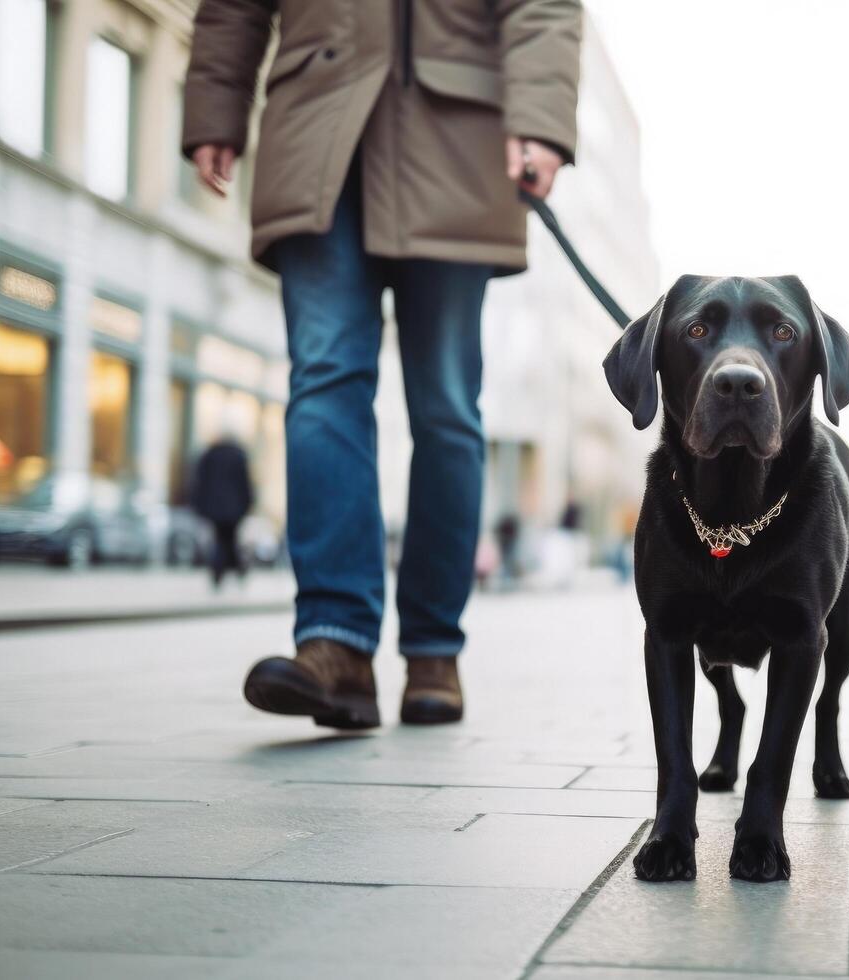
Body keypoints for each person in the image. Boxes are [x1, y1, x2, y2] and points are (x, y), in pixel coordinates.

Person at [183, 0, 584, 728]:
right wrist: (215, 104)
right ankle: (334, 644)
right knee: (324, 382)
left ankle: (433, 650)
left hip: (458, 133)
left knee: (447, 407)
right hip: (318, 128)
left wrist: (541, 117)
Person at [192, 437, 253, 589]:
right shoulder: (238, 456)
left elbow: (200, 481)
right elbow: (245, 483)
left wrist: (199, 505)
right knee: (229, 539)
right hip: (234, 508)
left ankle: (220, 572)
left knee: (221, 539)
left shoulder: (209, 455)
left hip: (214, 507)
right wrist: (248, 504)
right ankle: (236, 570)